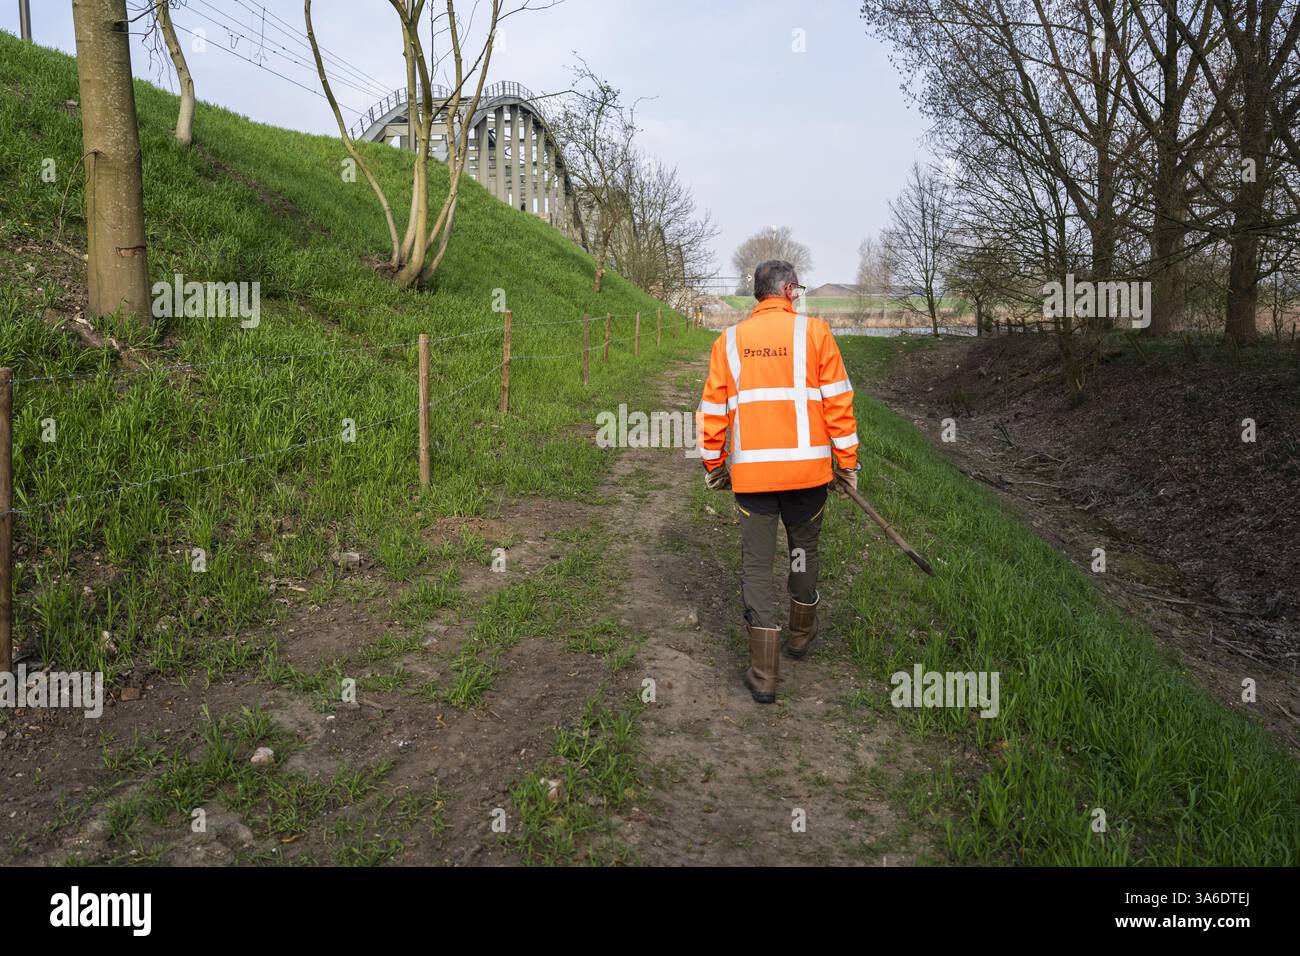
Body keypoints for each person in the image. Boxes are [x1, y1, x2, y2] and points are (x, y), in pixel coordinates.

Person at [697, 260, 860, 703]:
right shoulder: (816, 334)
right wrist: (847, 464)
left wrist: (714, 464)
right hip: (808, 475)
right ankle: (800, 636)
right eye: (799, 287)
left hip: (753, 477)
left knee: (755, 564)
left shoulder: (729, 342)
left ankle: (764, 674)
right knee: (803, 552)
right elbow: (838, 405)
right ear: (788, 290)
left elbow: (713, 411)